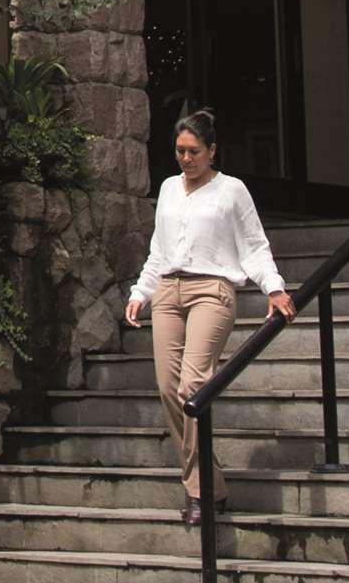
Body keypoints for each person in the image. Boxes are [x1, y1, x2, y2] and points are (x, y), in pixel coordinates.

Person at [122, 110, 293, 526]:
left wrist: (273, 286)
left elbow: (253, 244)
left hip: (211, 292)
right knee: (167, 388)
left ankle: (199, 492)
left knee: (193, 386)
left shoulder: (231, 191)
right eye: (179, 151)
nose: (185, 158)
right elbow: (159, 249)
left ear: (212, 151)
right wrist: (140, 292)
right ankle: (211, 485)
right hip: (167, 291)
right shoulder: (167, 189)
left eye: (194, 151)